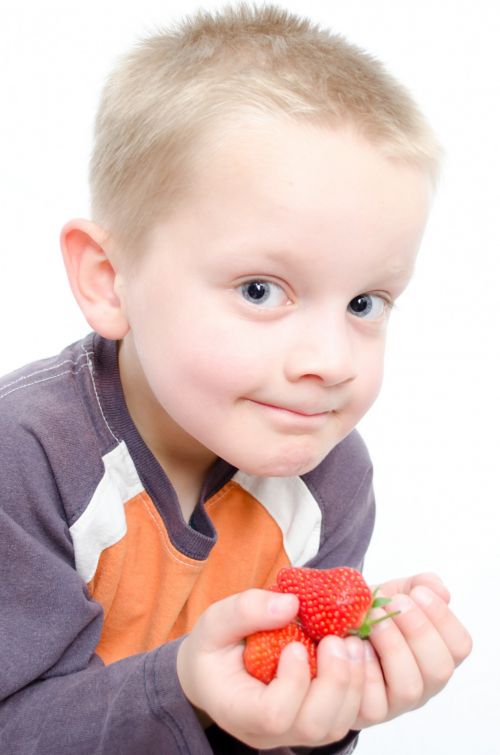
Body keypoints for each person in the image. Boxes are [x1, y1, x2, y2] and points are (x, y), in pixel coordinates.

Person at [0, 4, 471, 754]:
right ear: (110, 279)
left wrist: (329, 706)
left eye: (364, 303)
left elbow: (273, 734)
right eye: (260, 289)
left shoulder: (330, 474)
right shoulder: (26, 457)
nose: (332, 360)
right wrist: (184, 686)